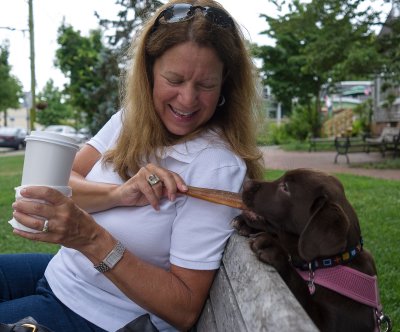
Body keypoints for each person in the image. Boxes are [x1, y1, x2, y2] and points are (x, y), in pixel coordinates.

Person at [0, 1, 264, 331]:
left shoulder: (217, 167)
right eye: (175, 79)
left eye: (206, 84)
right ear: (149, 71)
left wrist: (90, 237)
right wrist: (119, 194)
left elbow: (183, 310)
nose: (187, 99)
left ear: (225, 82)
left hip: (101, 315)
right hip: (61, 275)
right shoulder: (129, 120)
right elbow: (67, 177)